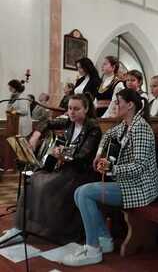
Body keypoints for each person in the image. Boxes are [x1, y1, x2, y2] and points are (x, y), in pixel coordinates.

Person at [61, 88, 158, 267]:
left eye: (118, 102)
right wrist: (99, 153)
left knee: (84, 193)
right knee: (79, 193)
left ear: (129, 105)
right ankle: (104, 239)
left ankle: (93, 249)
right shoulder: (125, 124)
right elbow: (107, 134)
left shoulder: (141, 129)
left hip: (140, 188)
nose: (115, 105)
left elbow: (139, 167)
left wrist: (112, 168)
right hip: (127, 183)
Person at [0, 94, 102, 245]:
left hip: (80, 173)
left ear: (86, 109)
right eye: (69, 108)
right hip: (66, 168)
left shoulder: (93, 128)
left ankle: (45, 227)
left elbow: (82, 157)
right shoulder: (69, 122)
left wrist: (63, 154)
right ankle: (19, 227)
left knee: (46, 185)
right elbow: (45, 122)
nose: (71, 112)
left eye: (76, 109)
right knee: (32, 179)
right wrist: (35, 136)